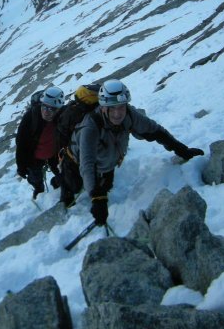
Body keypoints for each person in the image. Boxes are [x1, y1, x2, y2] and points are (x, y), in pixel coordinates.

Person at [68, 79, 204, 225]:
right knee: (73, 187)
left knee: (106, 187)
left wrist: (181, 149)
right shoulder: (90, 126)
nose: (117, 113)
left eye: (121, 107)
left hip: (108, 162)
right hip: (75, 161)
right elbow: (87, 163)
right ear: (103, 107)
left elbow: (155, 131)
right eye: (112, 108)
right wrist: (97, 198)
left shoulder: (130, 115)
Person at [52, 84, 100, 204]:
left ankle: (62, 187)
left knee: (75, 177)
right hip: (71, 153)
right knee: (73, 185)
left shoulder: (75, 111)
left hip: (74, 150)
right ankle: (65, 198)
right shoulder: (75, 114)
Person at [15, 86, 65, 198]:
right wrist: (21, 166)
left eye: (51, 109)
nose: (46, 112)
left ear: (58, 110)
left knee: (63, 174)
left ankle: (57, 184)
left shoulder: (63, 117)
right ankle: (39, 190)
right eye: (44, 107)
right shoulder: (30, 118)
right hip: (34, 157)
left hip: (55, 154)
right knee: (35, 178)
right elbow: (21, 143)